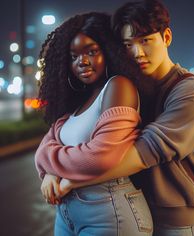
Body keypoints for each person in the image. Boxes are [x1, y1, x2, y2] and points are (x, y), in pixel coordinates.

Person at [53, 1, 194, 236]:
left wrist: (73, 180)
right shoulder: (128, 85)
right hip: (132, 207)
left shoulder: (191, 90)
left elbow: (143, 152)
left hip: (174, 222)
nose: (137, 53)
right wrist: (51, 171)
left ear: (166, 37)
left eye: (145, 40)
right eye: (128, 44)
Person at [35, 12, 153, 236]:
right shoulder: (79, 100)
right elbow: (43, 147)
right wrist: (51, 172)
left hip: (109, 213)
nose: (83, 61)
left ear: (108, 51)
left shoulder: (118, 87)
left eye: (92, 51)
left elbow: (99, 158)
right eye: (73, 57)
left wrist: (51, 164)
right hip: (67, 214)